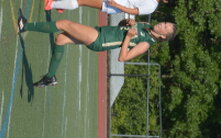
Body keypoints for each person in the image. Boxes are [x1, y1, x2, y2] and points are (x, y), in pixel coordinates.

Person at [17, 10, 176, 87]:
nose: (162, 24)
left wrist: (128, 37)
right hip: (101, 32)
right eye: (165, 23)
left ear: (163, 37)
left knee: (64, 24)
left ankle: (25, 25)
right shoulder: (146, 25)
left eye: (165, 27)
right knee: (60, 39)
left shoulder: (146, 43)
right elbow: (120, 27)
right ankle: (50, 77)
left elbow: (122, 58)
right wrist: (127, 23)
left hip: (100, 40)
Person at [44, 0, 172, 17]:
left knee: (82, 1)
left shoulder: (151, 6)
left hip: (116, 3)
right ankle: (61, 5)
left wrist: (115, 5)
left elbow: (133, 11)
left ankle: (51, 5)